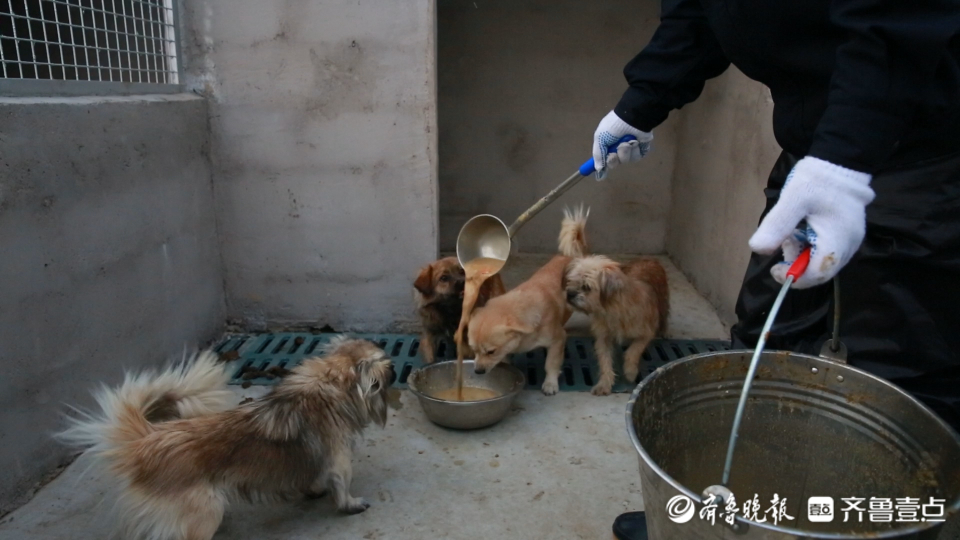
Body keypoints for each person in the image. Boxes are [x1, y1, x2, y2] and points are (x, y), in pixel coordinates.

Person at [592, 1, 960, 538]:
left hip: (926, 160)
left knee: (902, 382)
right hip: (815, 155)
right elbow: (701, 12)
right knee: (764, 339)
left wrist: (844, 166)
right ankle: (735, 517)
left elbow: (902, 20)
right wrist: (640, 104)